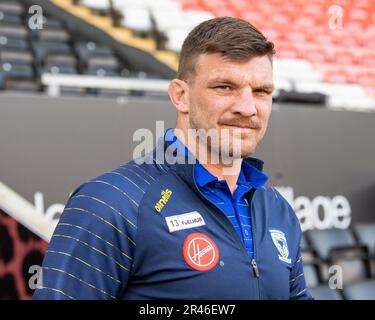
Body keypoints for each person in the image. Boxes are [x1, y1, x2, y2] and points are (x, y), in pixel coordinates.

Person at [33, 17, 312, 300]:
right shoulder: (110, 202)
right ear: (180, 96)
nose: (247, 108)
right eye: (224, 87)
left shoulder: (276, 208)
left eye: (261, 91)